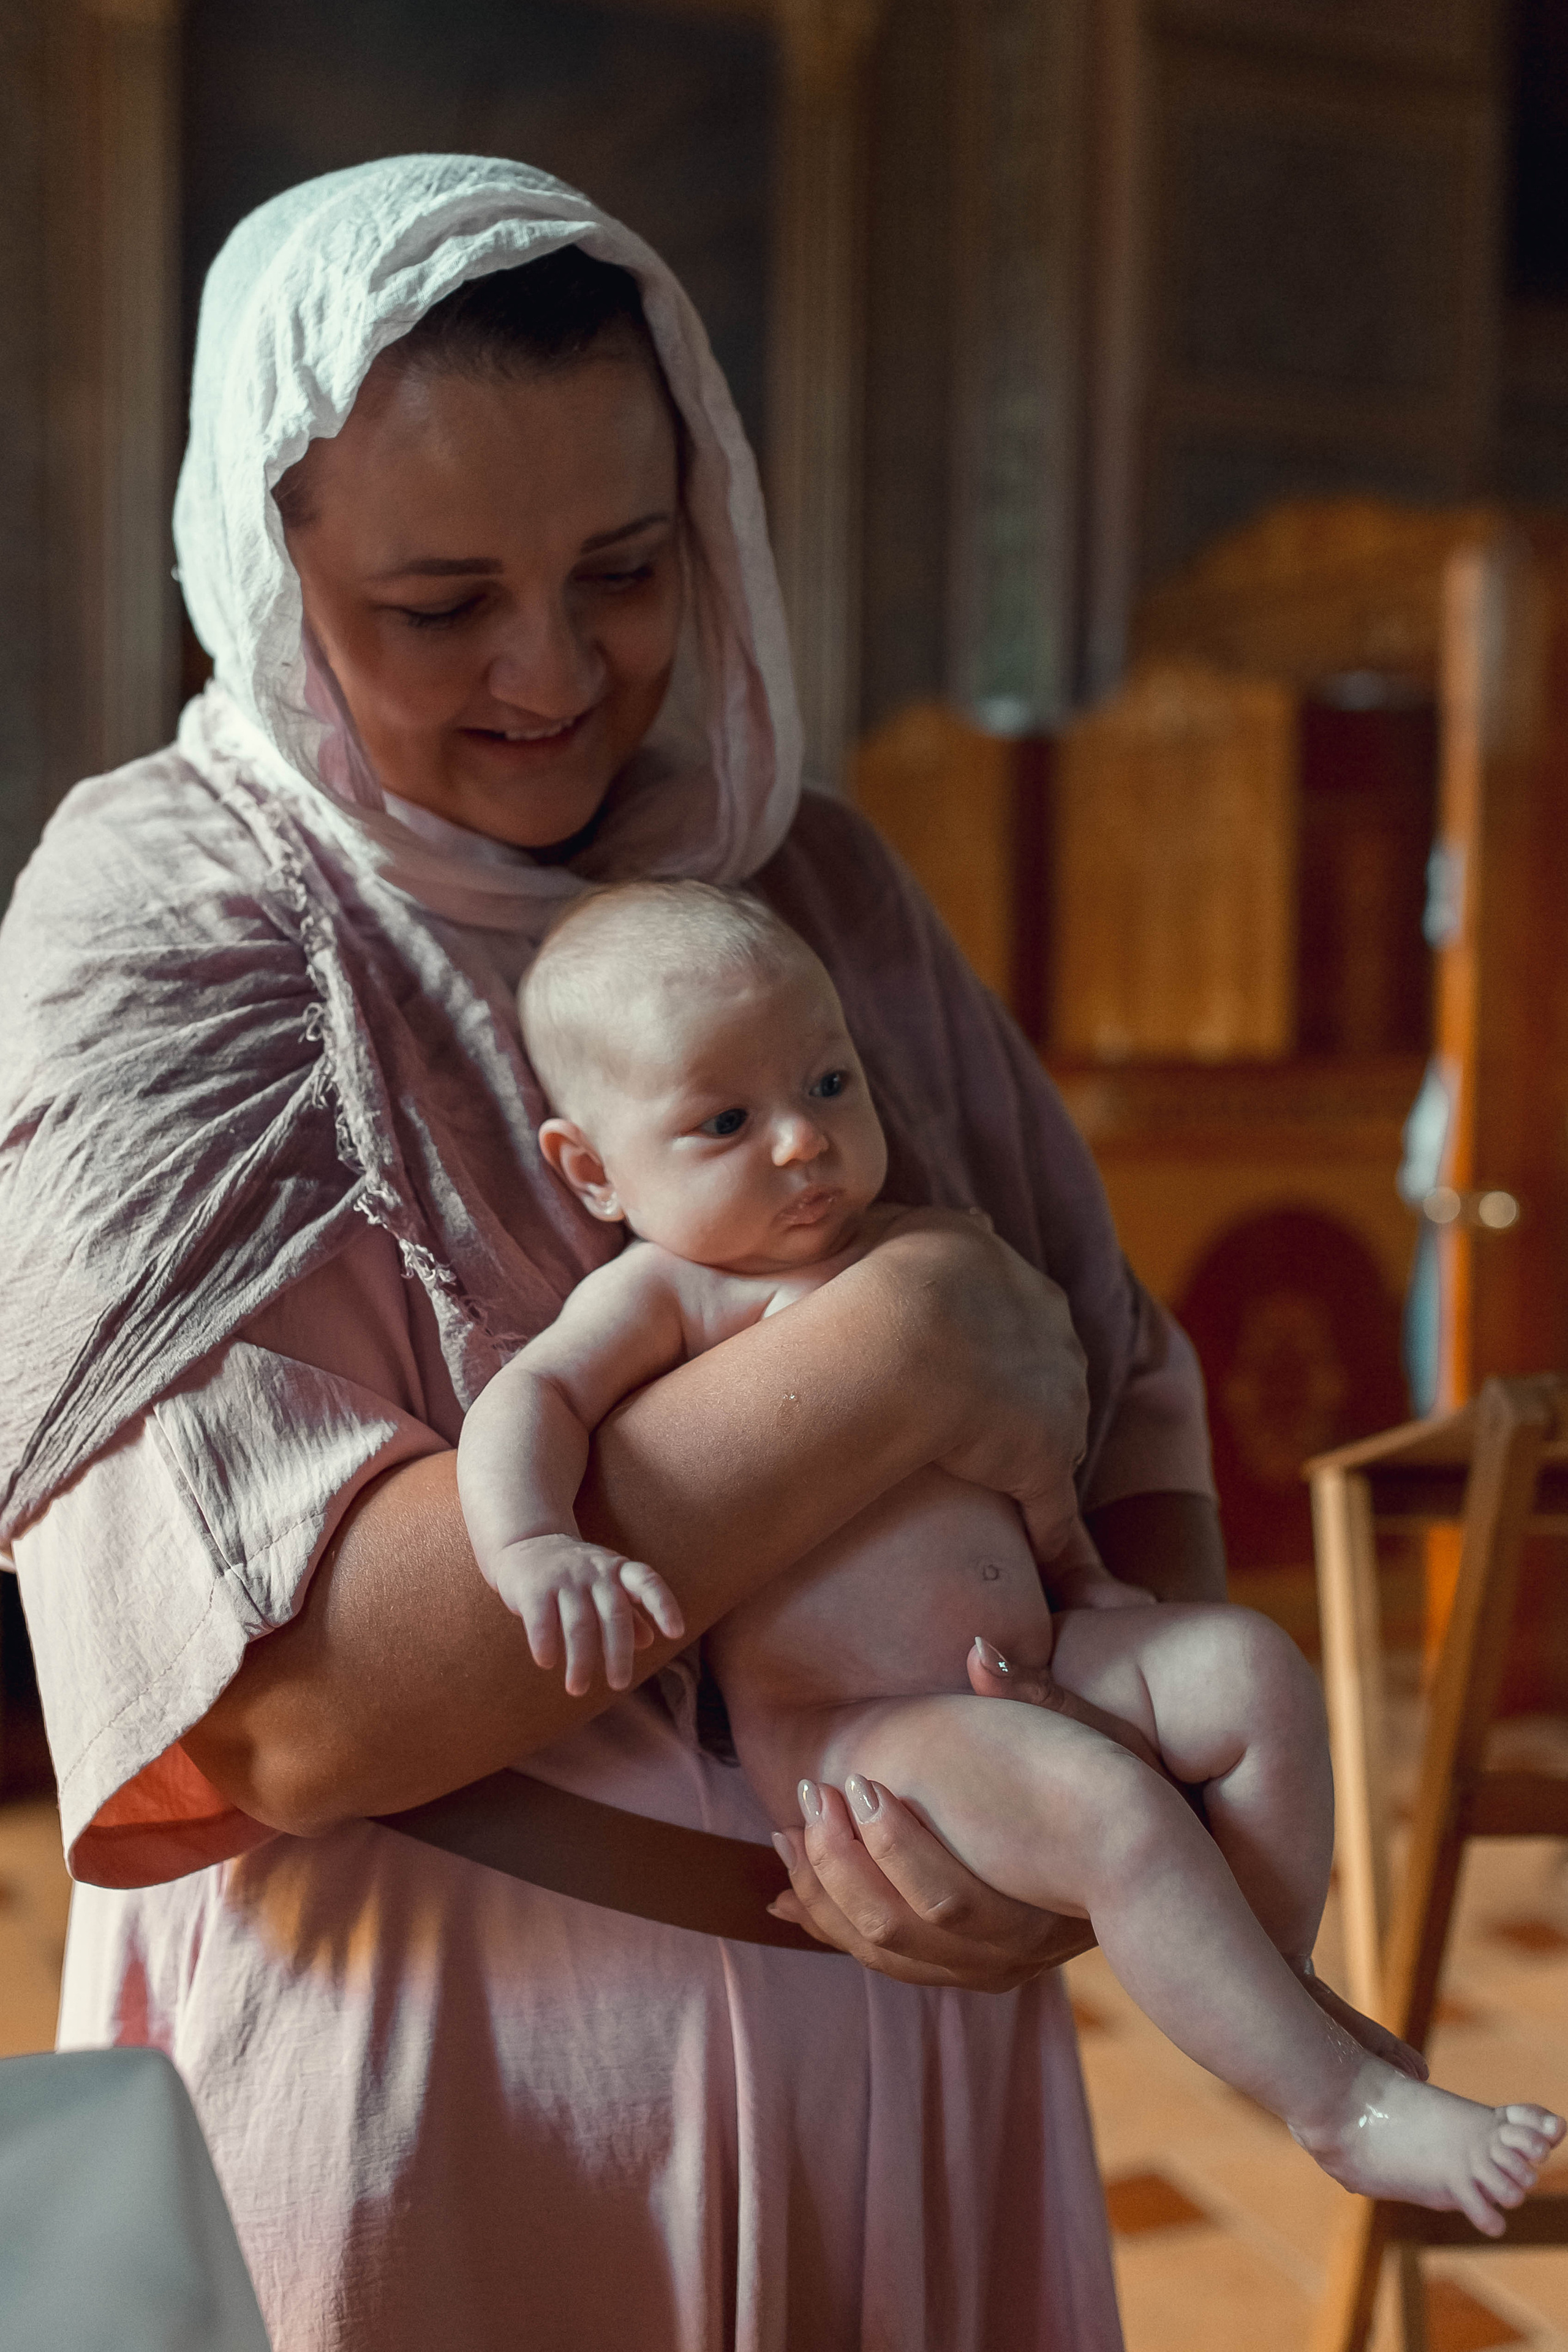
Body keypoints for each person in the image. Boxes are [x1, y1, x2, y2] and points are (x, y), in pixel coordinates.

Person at [0, 156, 1230, 2352]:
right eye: (436, 603)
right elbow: (286, 1707)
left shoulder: (807, 879)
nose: (555, 674)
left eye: (625, 570)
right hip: (456, 2088)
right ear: (265, 573)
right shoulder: (164, 914)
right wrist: (900, 1351)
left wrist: (1093, 1819)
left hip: (914, 2065)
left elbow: (1113, 1391)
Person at [460, 878, 1562, 2241]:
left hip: (1026, 1653)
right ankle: (1341, 2105)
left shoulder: (918, 1242)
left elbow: (1026, 1453)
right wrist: (531, 1549)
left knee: (1249, 1667)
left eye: (827, 1081)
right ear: (591, 1170)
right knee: (1107, 1809)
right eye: (728, 1121)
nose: (804, 1142)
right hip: (858, 1729)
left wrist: (1079, 1569)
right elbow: (530, 1401)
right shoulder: (674, 1294)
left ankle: (1277, 2001)